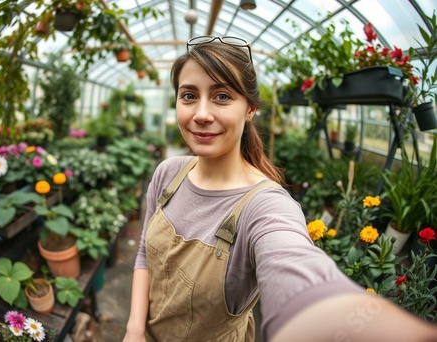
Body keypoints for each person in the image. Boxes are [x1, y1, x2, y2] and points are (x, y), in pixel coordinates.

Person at [123, 36, 437, 342]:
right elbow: (143, 254)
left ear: (249, 110)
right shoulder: (168, 174)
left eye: (222, 96)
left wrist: (330, 314)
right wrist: (135, 329)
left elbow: (294, 266)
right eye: (189, 95)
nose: (201, 114)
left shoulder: (264, 207)